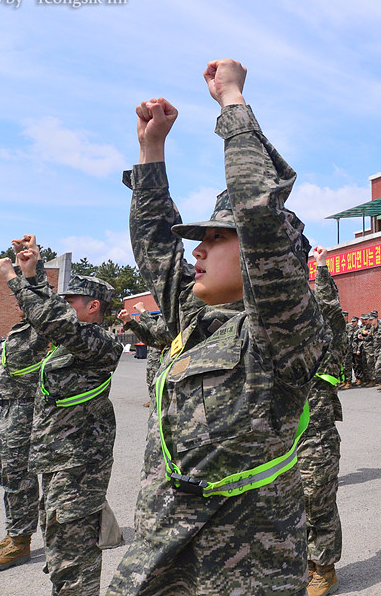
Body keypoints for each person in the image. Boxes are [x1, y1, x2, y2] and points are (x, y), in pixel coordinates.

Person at [106, 59, 329, 595]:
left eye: (218, 238)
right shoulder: (199, 318)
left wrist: (232, 103)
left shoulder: (280, 330)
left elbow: (258, 211)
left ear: (260, 255)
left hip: (240, 568)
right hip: (162, 550)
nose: (198, 250)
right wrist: (151, 151)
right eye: (200, 238)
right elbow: (157, 246)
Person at [0, 247, 122, 595]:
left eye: (72, 300)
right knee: (58, 549)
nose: (62, 305)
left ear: (93, 306)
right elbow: (41, 313)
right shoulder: (64, 343)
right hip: (56, 461)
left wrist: (13, 277)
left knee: (73, 559)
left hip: (79, 464)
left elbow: (49, 316)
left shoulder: (98, 341)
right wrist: (31, 272)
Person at [0, 235, 48, 571]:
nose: (18, 301)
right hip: (9, 407)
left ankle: (20, 542)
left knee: (19, 475)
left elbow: (40, 292)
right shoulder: (21, 327)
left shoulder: (42, 325)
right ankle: (13, 533)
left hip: (25, 407)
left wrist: (32, 261)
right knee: (7, 473)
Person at [301, 246, 347, 596]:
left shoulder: (327, 332)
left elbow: (329, 305)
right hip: (288, 435)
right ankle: (306, 563)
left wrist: (321, 266)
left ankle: (325, 569)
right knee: (294, 503)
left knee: (318, 500)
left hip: (316, 434)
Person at [117, 301, 171, 405]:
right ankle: (154, 399)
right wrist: (130, 321)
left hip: (173, 363)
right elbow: (149, 337)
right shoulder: (163, 315)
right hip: (158, 356)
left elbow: (162, 335)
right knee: (152, 376)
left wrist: (143, 312)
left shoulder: (178, 314)